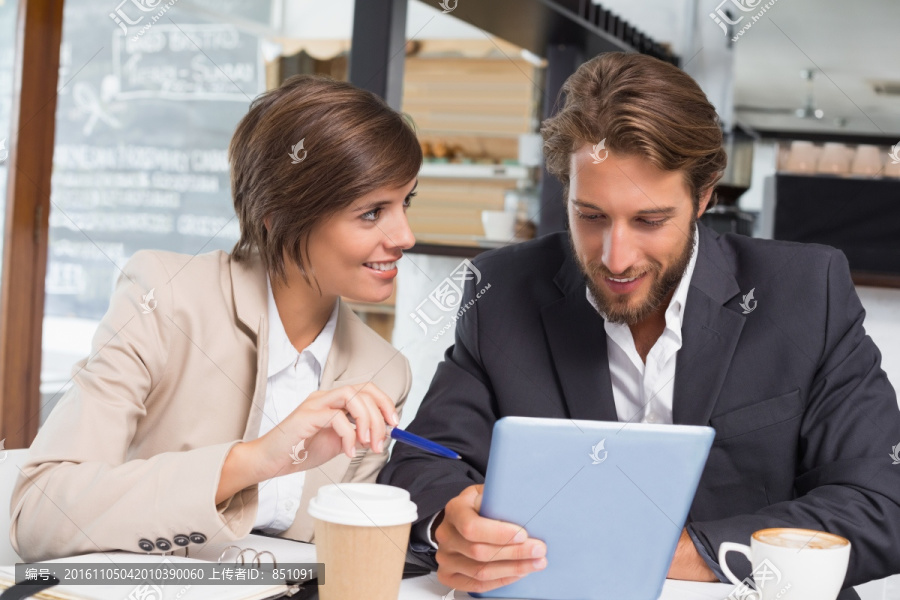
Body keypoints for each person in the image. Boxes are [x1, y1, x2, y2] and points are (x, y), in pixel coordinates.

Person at [379, 52, 900, 599]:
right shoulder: (501, 293)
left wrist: (670, 552)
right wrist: (447, 524)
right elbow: (423, 462)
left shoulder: (804, 293)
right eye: (591, 216)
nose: (616, 257)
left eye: (650, 220)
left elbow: (880, 502)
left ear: (703, 197)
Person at [10, 75, 421, 562]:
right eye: (372, 212)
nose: (405, 236)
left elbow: (334, 554)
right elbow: (38, 513)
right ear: (278, 215)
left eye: (405, 203)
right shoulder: (164, 299)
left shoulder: (383, 371)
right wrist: (254, 460)